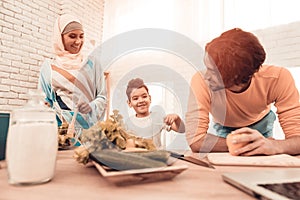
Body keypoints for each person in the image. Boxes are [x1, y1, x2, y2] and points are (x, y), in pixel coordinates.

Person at [185, 28, 300, 156]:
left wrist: (274, 145)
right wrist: (244, 143)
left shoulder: (278, 78)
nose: (207, 76)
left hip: (262, 124)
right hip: (225, 129)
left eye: (213, 72)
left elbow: (297, 139)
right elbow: (196, 140)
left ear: (234, 77)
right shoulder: (201, 81)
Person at [38, 14, 107, 128]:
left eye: (81, 36)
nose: (78, 41)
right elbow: (45, 99)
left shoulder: (93, 64)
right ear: (60, 37)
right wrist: (44, 106)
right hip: (60, 130)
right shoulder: (49, 67)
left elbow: (102, 97)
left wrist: (91, 106)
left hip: (89, 130)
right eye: (72, 36)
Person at [125, 78, 185, 148]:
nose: (141, 100)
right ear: (129, 103)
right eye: (135, 98)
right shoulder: (129, 123)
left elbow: (182, 130)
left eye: (144, 96)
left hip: (157, 157)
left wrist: (176, 118)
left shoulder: (158, 117)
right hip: (138, 157)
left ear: (150, 98)